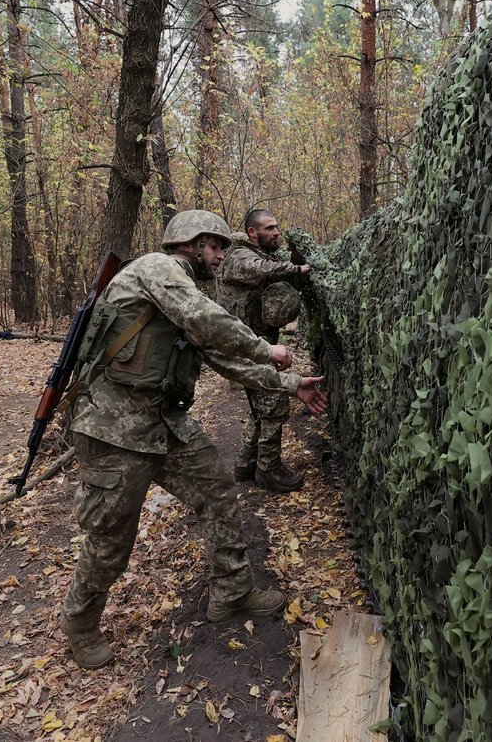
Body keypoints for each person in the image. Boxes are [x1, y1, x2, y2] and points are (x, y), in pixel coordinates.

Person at [60, 210, 327, 670]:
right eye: (216, 246)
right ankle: (80, 625)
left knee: (218, 491)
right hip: (113, 431)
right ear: (190, 243)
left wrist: (291, 383)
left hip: (163, 423)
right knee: (109, 542)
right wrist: (267, 348)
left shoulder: (183, 290)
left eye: (224, 247)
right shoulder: (158, 270)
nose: (222, 256)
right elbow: (208, 322)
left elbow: (223, 357)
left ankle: (232, 590)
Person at [217, 209, 311, 493]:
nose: (276, 232)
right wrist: (295, 270)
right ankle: (269, 469)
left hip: (257, 342)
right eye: (269, 228)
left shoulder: (262, 255)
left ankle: (246, 464)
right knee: (273, 402)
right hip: (247, 346)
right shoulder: (238, 258)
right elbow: (260, 270)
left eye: (277, 227)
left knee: (260, 407)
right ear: (252, 233)